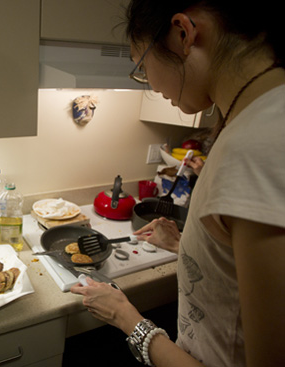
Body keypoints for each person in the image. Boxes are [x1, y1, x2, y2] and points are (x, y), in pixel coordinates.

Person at [71, 1, 285, 366]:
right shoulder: (254, 119)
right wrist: (189, 246)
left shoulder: (257, 145)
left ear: (183, 33)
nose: (150, 83)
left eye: (142, 67)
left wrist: (128, 318)